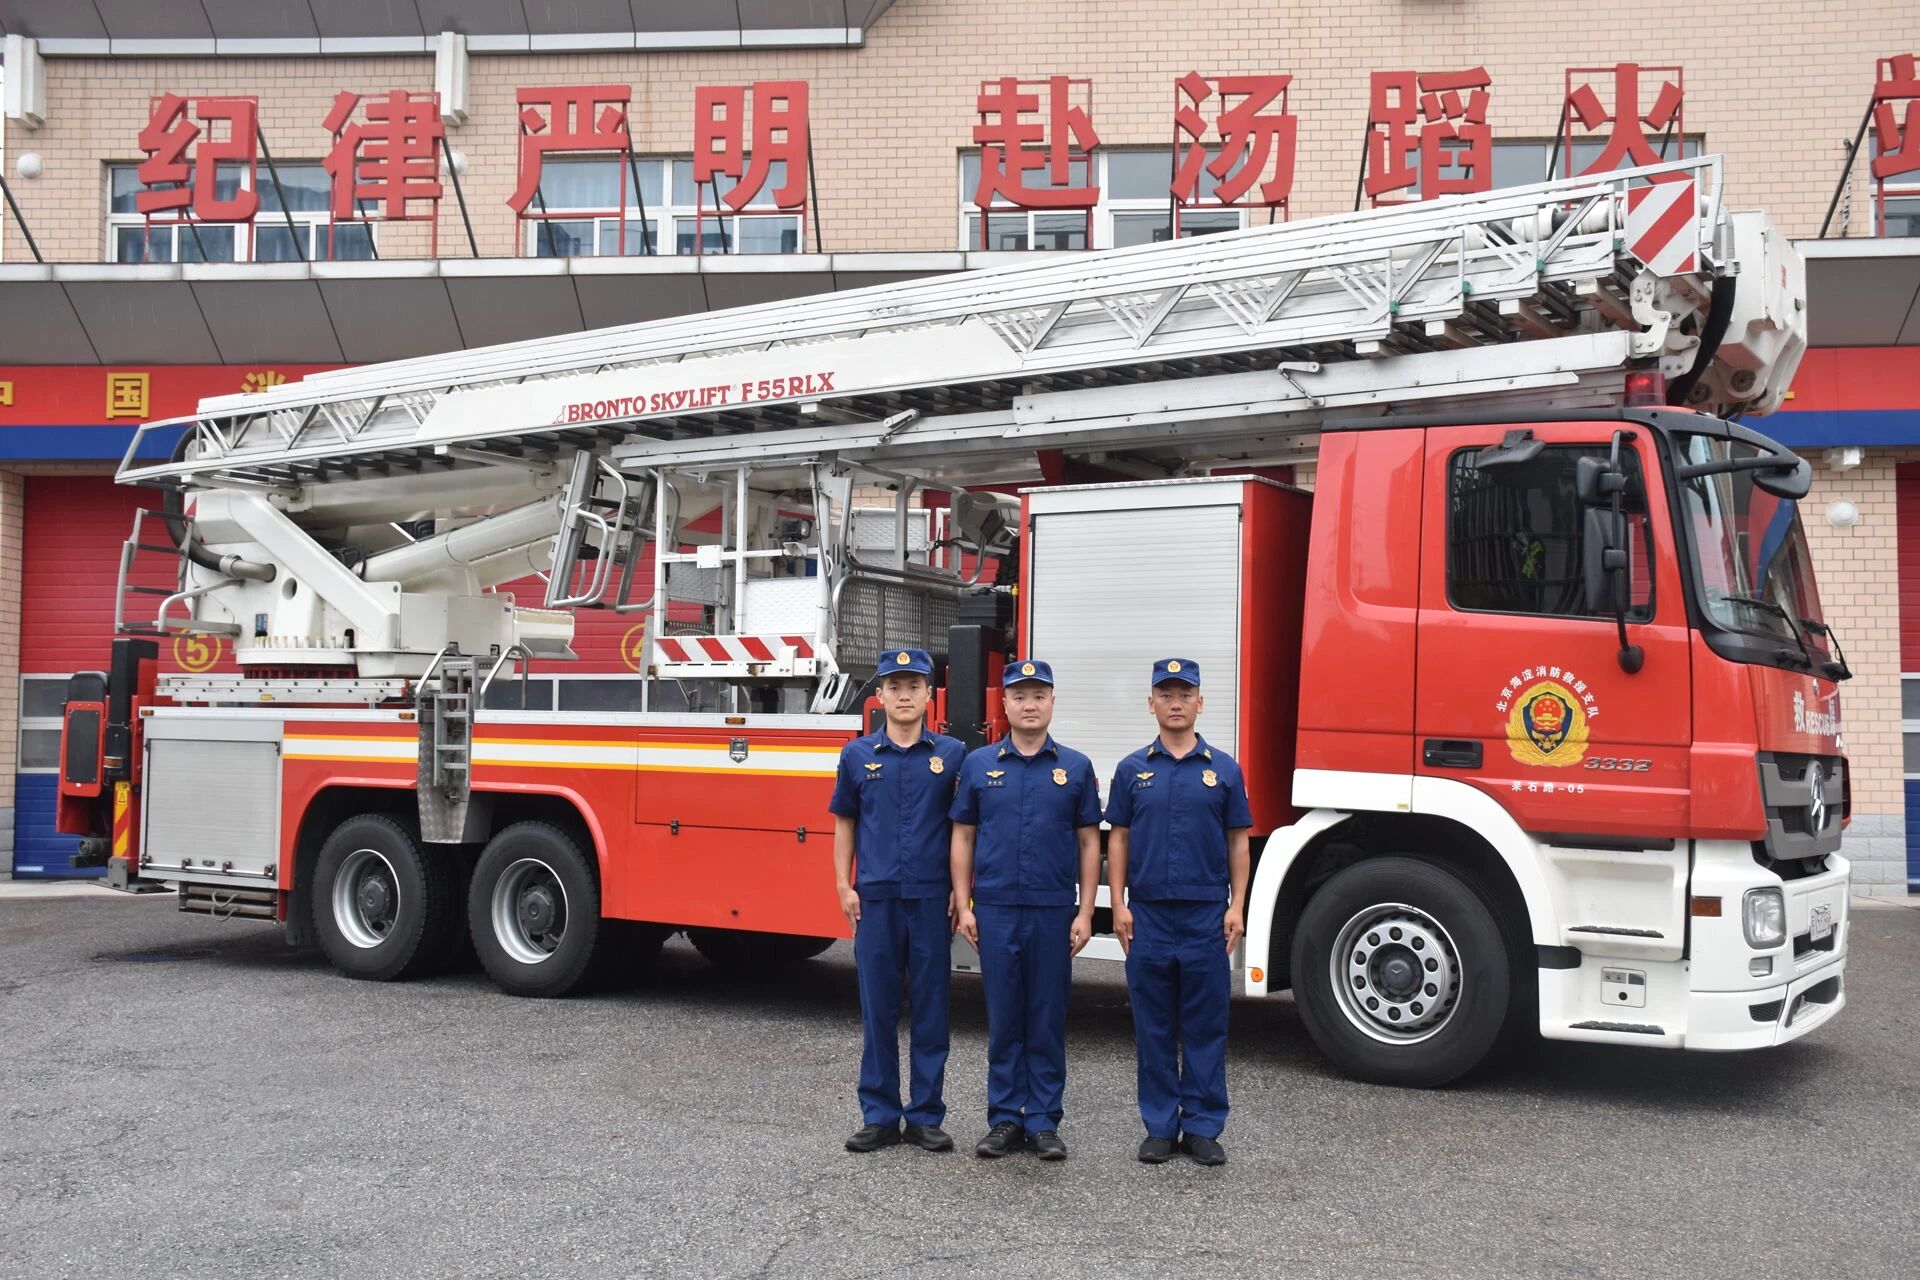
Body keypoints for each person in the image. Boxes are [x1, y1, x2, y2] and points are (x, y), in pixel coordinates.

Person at [949, 659, 1102, 1161]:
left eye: (1038, 695)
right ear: (1005, 703)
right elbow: (963, 836)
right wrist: (964, 903)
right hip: (995, 909)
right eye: (1019, 696)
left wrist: (1085, 912)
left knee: (1047, 1015)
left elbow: (1089, 843)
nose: (1029, 705)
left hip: (1052, 910)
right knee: (1004, 1015)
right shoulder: (979, 765)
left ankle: (1043, 1121)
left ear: (1052, 702)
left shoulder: (1075, 767)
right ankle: (1004, 1119)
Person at [1104, 657, 1253, 1167]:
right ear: (1151, 704)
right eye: (1166, 694)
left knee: (1206, 1025)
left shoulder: (1223, 769)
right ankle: (1161, 1127)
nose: (1175, 703)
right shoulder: (1132, 770)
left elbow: (1238, 842)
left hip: (1205, 916)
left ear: (1200, 703)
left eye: (1184, 694)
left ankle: (1203, 1127)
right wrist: (1117, 903)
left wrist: (1237, 905)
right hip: (1148, 915)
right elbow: (1118, 839)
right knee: (1154, 1027)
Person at [830, 646, 967, 1154]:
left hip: (931, 901)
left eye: (914, 686)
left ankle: (926, 1116)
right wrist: (844, 885)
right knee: (878, 1011)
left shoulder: (953, 755)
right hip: (877, 900)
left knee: (931, 1011)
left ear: (930, 694)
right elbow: (845, 823)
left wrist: (961, 893)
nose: (904, 695)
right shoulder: (857, 755)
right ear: (881, 695)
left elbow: (964, 830)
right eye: (894, 686)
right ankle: (880, 1116)